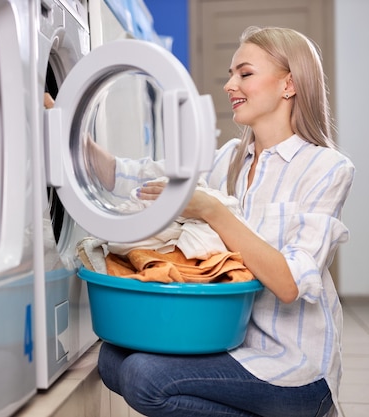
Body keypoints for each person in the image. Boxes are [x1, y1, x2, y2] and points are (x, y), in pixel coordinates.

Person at [96, 26, 355, 417]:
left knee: (143, 376)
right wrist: (64, 130)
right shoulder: (230, 159)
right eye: (231, 74)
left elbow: (289, 284)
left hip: (294, 369)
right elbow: (132, 175)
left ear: (289, 84)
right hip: (229, 344)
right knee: (111, 359)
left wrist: (211, 211)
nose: (229, 84)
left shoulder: (326, 168)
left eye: (245, 73)